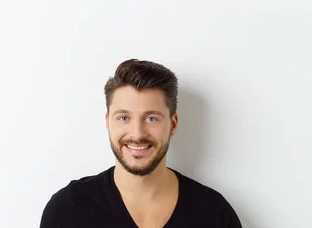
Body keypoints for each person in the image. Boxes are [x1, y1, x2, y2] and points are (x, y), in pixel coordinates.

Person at [39, 59, 242, 228]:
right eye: (124, 117)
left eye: (151, 118)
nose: (137, 134)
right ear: (108, 122)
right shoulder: (68, 210)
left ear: (172, 125)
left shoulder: (215, 214)